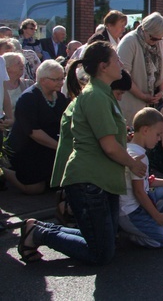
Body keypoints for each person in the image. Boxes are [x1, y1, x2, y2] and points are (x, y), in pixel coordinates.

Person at [17, 41, 147, 264]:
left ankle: (39, 229)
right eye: (117, 60)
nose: (121, 63)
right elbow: (108, 146)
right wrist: (133, 163)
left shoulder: (103, 93)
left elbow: (108, 139)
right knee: (101, 253)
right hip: (90, 179)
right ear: (103, 66)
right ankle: (39, 233)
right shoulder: (95, 95)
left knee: (105, 242)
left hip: (102, 178)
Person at [3, 60, 70, 194]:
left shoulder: (61, 98)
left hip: (50, 147)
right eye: (56, 79)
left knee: (58, 185)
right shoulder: (28, 98)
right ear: (43, 80)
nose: (61, 82)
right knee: (35, 189)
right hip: (28, 148)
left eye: (62, 78)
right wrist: (60, 147)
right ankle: (5, 171)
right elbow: (34, 132)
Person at [118, 107, 163, 248]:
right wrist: (157, 216)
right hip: (130, 211)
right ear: (145, 130)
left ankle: (145, 223)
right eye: (158, 134)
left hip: (136, 204)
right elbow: (138, 191)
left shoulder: (130, 148)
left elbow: (146, 181)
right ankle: (129, 233)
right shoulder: (139, 156)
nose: (159, 139)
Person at [117, 12, 163, 125]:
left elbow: (162, 68)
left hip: (152, 104)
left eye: (159, 39)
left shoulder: (157, 41)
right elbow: (123, 74)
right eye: (153, 38)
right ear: (145, 29)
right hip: (132, 104)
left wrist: (162, 91)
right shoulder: (129, 41)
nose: (156, 42)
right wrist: (142, 96)